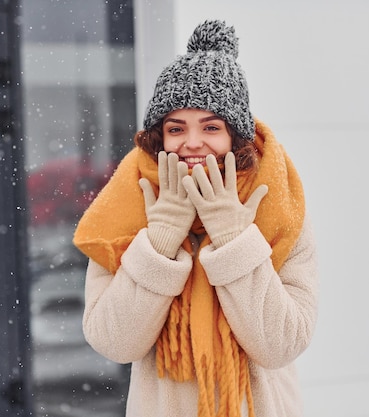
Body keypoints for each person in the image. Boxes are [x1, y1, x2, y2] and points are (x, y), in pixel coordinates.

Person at [73, 19, 318, 417]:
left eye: (211, 126)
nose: (191, 142)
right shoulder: (128, 207)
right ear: (159, 137)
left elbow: (282, 344)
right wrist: (160, 242)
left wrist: (234, 238)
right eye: (176, 127)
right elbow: (114, 342)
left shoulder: (279, 208)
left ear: (235, 136)